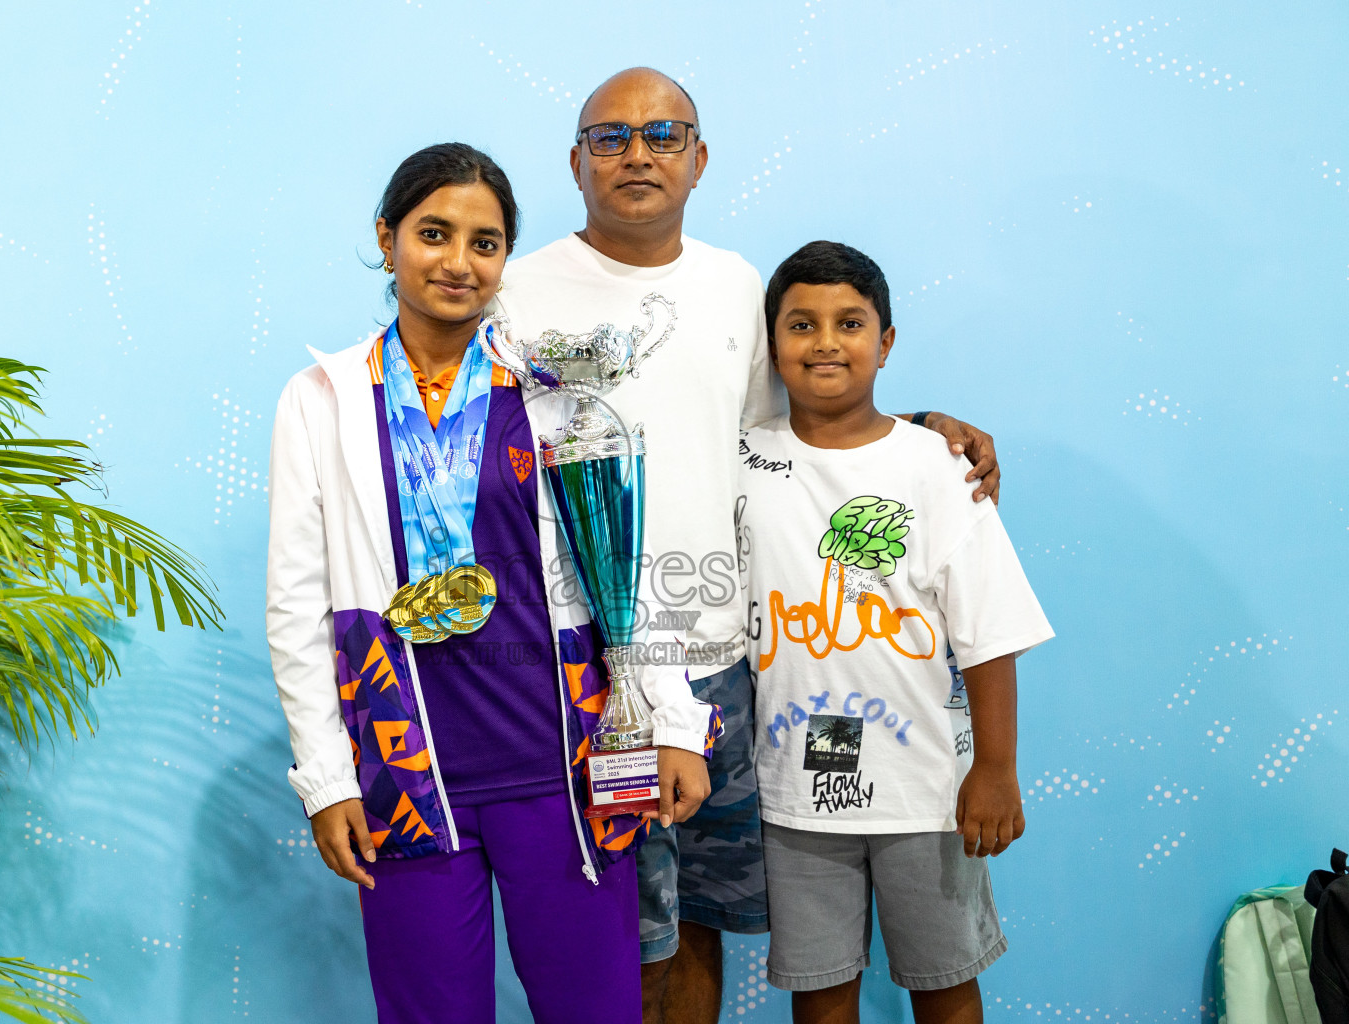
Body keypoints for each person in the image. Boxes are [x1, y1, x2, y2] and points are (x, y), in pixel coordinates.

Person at [493, 67, 1004, 1024]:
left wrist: (924, 425)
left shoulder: (734, 288)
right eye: (609, 137)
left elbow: (803, 433)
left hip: (725, 666)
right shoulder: (514, 295)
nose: (636, 153)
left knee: (699, 920)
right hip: (575, 667)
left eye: (662, 133)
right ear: (574, 161)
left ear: (700, 159)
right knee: (611, 922)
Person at [265, 142, 720, 1024]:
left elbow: (627, 562)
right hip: (407, 766)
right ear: (387, 237)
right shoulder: (321, 400)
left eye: (486, 242)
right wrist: (328, 779)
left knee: (595, 1011)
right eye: (434, 233)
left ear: (506, 257)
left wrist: (674, 723)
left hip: (563, 765)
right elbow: (296, 605)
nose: (458, 262)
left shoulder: (554, 391)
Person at [738, 241, 1055, 1023]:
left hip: (925, 790)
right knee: (819, 989)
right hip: (793, 795)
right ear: (771, 345)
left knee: (945, 983)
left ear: (885, 342)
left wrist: (997, 769)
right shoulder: (740, 460)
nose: (824, 342)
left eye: (850, 323)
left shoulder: (937, 466)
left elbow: (989, 628)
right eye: (800, 324)